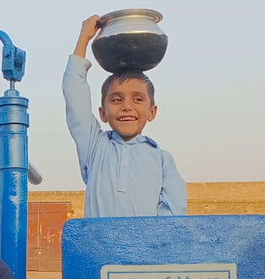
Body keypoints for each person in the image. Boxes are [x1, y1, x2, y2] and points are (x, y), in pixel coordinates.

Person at [62, 15, 187, 217]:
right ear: (103, 113)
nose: (126, 107)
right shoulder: (95, 147)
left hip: (144, 248)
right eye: (116, 100)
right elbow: (75, 98)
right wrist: (84, 38)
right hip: (99, 248)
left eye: (137, 99)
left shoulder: (162, 160)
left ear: (152, 112)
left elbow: (174, 213)